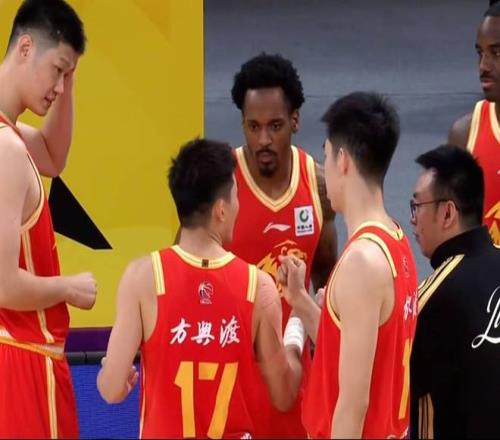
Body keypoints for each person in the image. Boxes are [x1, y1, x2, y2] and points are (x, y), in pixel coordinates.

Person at [97, 138, 303, 439]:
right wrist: (297, 326)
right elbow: (284, 395)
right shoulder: (257, 286)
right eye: (236, 195)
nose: (239, 205)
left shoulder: (142, 278)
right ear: (221, 210)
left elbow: (111, 389)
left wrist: (113, 374)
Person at [279, 92, 418, 438]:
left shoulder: (361, 263)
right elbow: (347, 346)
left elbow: (353, 405)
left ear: (342, 160)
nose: (323, 168)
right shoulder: (395, 238)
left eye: (325, 155)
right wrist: (300, 301)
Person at [226, 52, 338, 438]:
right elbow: (186, 277)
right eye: (253, 126)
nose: (263, 140)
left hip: (294, 377)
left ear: (295, 120)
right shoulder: (220, 185)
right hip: (233, 382)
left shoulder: (318, 185)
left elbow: (327, 282)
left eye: (275, 126)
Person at [0, 0, 97, 438]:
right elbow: (3, 285)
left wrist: (69, 77)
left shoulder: (11, 137)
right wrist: (67, 288)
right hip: (21, 362)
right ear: (25, 48)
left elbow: (54, 158)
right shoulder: (6, 150)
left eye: (67, 75)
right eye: (56, 69)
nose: (59, 86)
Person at [410, 145, 500, 438]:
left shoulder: (429, 300)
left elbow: (397, 390)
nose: (412, 219)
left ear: (447, 212)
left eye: (417, 206)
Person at [448, 3, 500, 245]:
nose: (483, 66)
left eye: (496, 53)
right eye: (480, 53)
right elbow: (452, 237)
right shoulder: (464, 135)